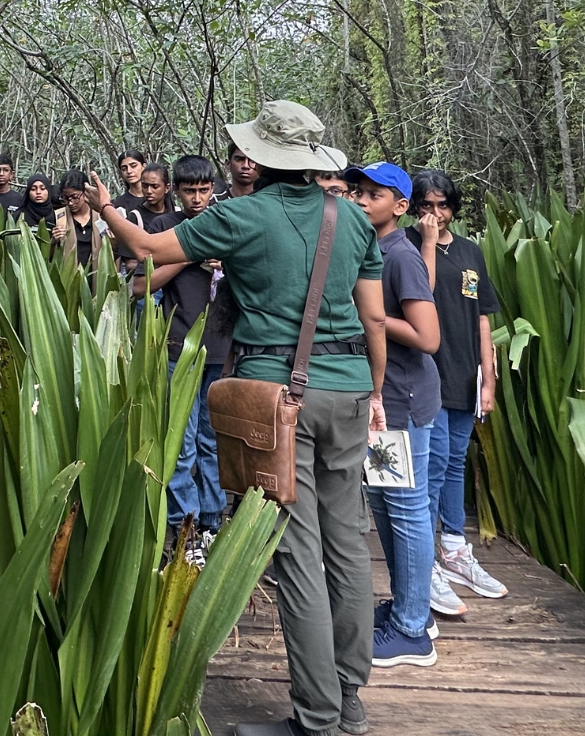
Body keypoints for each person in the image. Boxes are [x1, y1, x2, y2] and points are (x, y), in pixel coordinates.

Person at [87, 100, 387, 736]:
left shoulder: (242, 215)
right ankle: (350, 698)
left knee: (298, 552)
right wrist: (374, 391)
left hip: (281, 398)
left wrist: (107, 206)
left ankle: (318, 716)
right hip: (352, 391)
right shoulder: (353, 218)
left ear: (262, 158)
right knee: (349, 543)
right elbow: (373, 318)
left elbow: (143, 248)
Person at [345, 161, 442, 669]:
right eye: (357, 191)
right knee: (388, 507)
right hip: (389, 402)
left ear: (400, 207)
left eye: (373, 194)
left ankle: (411, 630)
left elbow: (429, 338)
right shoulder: (372, 249)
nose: (361, 200)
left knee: (405, 511)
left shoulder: (400, 256)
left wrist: (374, 318)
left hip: (401, 402)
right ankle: (409, 608)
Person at [407, 169, 508, 605]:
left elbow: (483, 317)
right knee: (430, 469)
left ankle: (453, 548)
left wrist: (487, 377)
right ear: (413, 207)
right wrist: (428, 243)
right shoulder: (406, 246)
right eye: (427, 206)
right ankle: (425, 560)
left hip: (466, 373)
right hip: (428, 373)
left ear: (454, 207)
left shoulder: (470, 251)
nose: (435, 214)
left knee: (454, 465)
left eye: (443, 205)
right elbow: (423, 294)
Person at [134, 154, 232, 537]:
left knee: (213, 441)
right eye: (189, 191)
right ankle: (184, 524)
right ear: (176, 190)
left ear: (213, 190)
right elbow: (141, 285)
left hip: (222, 350)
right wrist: (188, 254)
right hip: (179, 348)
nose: (197, 199)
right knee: (182, 441)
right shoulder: (163, 227)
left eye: (204, 190)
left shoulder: (227, 226)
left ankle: (211, 521)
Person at [55, 170, 108, 268]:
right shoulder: (58, 217)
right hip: (69, 278)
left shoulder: (101, 216)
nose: (70, 203)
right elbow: (49, 258)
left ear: (86, 193)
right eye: (66, 198)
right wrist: (54, 241)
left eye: (75, 197)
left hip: (98, 277)